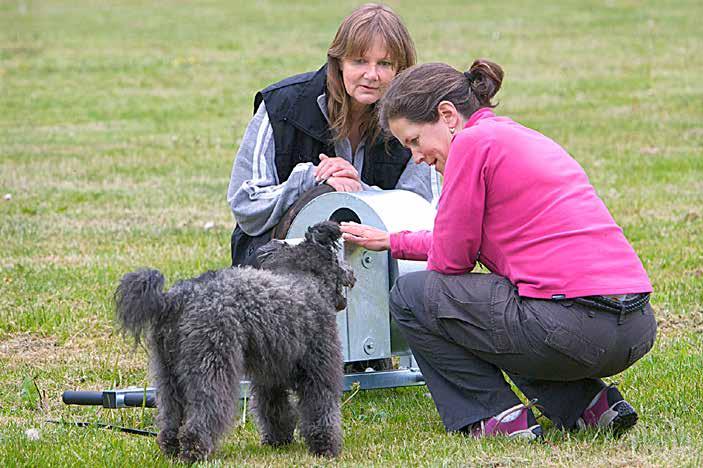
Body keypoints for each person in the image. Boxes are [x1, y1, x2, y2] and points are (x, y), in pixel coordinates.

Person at [340, 59, 657, 440]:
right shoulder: (513, 136)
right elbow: (460, 244)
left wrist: (410, 248)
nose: (417, 157)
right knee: (500, 307)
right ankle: (590, 407)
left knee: (412, 296)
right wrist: (393, 241)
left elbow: (450, 261)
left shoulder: (470, 146)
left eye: (414, 140)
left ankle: (495, 416)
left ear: (447, 115)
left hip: (575, 329)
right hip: (635, 323)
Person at [227, 3, 439, 267]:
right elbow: (246, 205)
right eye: (359, 61)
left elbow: (420, 214)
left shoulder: (412, 121)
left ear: (400, 69)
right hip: (277, 264)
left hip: (374, 261)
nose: (371, 75)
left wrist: (360, 190)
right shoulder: (281, 105)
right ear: (339, 62)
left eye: (384, 64)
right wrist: (311, 179)